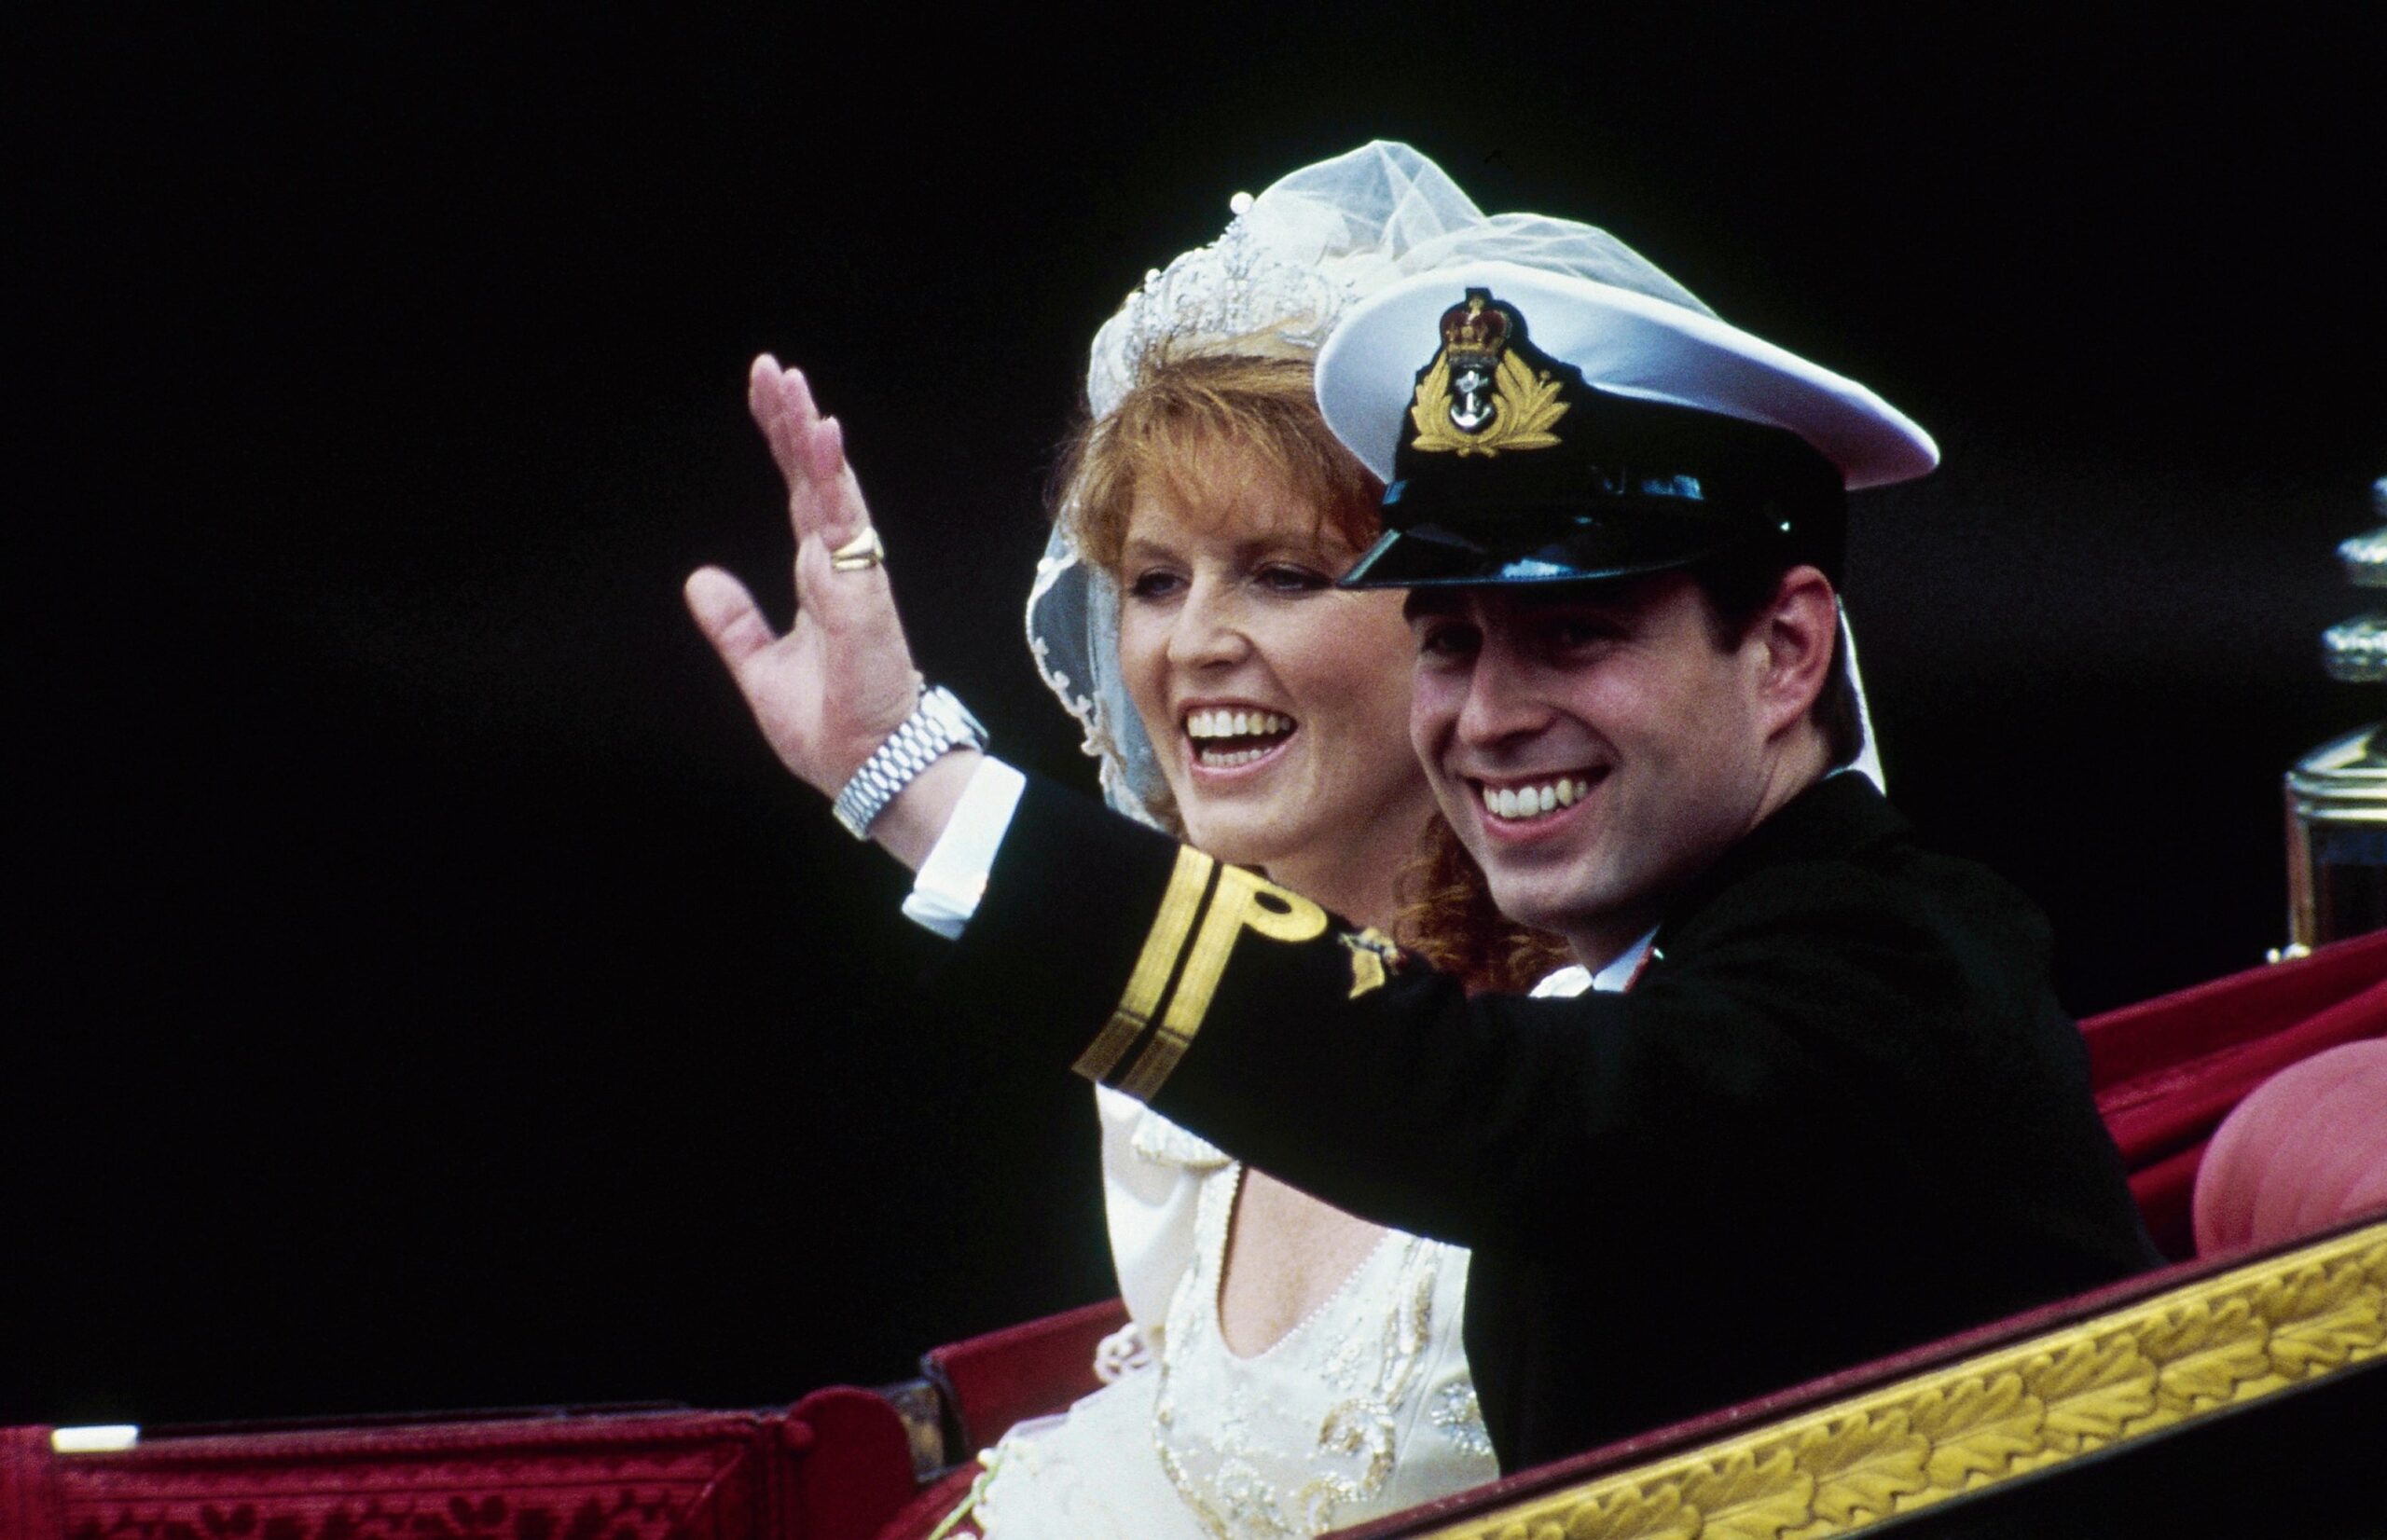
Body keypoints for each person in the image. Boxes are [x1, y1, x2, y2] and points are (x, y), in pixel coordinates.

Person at [684, 179, 2160, 1476]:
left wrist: (912, 775)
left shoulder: (1899, 965)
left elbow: (1493, 1105)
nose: (1489, 715)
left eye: (1574, 636)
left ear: (1783, 654)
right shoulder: (1682, 943)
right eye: (1449, 640)